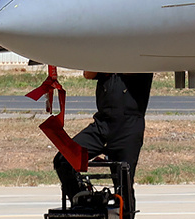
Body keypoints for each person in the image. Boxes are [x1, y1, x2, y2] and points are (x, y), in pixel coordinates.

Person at [53, 72, 153, 200]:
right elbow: (88, 74)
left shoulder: (137, 60)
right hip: (102, 126)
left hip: (127, 128)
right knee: (63, 159)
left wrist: (110, 65)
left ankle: (125, 218)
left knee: (123, 184)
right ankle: (81, 200)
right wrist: (100, 60)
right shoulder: (106, 61)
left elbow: (132, 69)